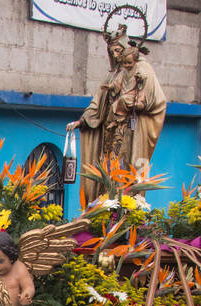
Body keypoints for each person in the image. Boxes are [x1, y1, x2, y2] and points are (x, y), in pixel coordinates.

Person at [66, 24, 166, 205]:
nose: (116, 55)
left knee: (125, 172)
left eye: (118, 50)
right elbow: (98, 102)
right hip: (109, 131)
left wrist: (131, 102)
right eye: (112, 52)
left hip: (129, 130)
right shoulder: (112, 75)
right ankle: (106, 203)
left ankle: (124, 206)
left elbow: (155, 99)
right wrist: (82, 121)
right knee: (107, 171)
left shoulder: (142, 69)